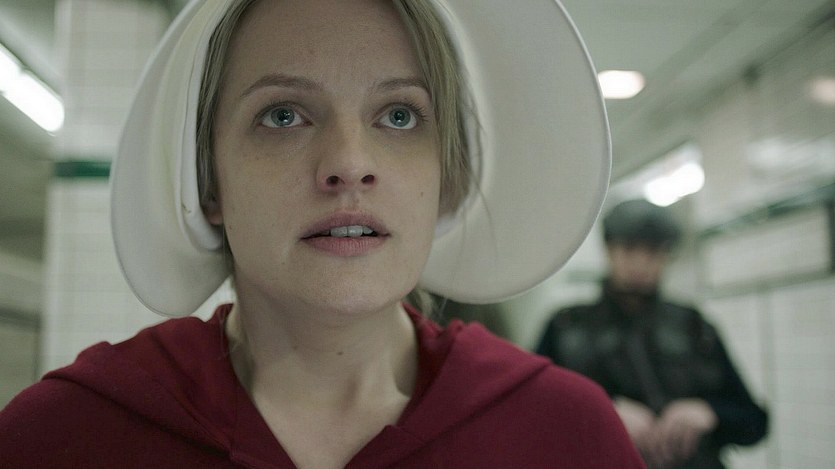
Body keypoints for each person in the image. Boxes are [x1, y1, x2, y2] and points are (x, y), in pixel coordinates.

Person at [0, 0, 644, 467]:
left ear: (446, 180)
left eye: (400, 116)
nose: (349, 164)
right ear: (207, 182)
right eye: (283, 116)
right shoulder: (65, 438)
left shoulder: (564, 436)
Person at [536, 199, 769, 469]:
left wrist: (709, 412)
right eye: (630, 249)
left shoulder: (694, 326)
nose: (640, 262)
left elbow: (753, 421)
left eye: (653, 251)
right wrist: (602, 412)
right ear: (609, 250)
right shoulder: (566, 328)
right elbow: (533, 412)